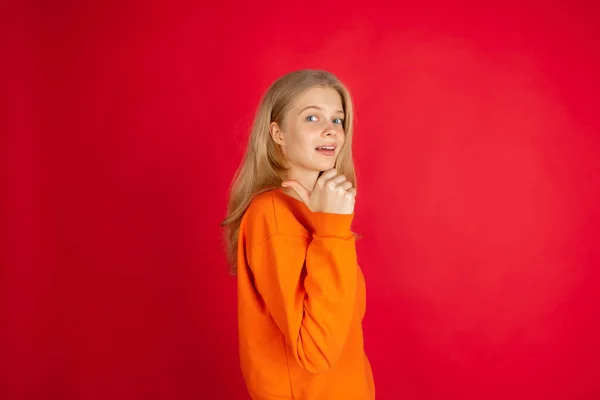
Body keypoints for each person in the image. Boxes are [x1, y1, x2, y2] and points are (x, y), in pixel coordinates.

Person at [222, 69, 375, 399]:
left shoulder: (315, 215)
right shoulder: (272, 213)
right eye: (312, 117)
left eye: (338, 120)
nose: (330, 131)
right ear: (277, 133)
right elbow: (317, 353)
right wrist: (333, 232)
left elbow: (343, 336)